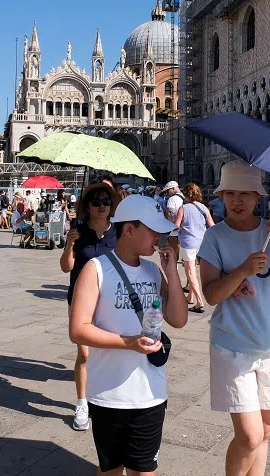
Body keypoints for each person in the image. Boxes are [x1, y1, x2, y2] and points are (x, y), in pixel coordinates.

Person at [198, 160, 270, 476]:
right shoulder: (214, 237)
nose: (237, 200)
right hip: (234, 346)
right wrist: (242, 271)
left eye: (246, 193)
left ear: (258, 197)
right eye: (230, 192)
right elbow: (211, 294)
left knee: (265, 434)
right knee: (250, 436)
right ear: (221, 195)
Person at [69, 194, 188, 476]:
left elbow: (179, 319)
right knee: (111, 470)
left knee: (144, 471)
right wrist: (128, 343)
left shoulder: (153, 270)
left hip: (150, 393)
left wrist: (172, 273)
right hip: (109, 394)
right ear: (129, 229)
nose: (159, 236)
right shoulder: (96, 269)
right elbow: (78, 329)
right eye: (152, 229)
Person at [59, 182, 120, 432]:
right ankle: (82, 402)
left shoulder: (118, 232)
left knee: (109, 352)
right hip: (81, 300)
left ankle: (109, 400)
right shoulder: (77, 231)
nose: (102, 206)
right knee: (84, 354)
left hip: (110, 300)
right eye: (96, 202)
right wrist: (68, 245)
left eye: (106, 201)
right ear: (87, 206)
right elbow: (66, 267)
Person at [174, 182, 215, 313]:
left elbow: (175, 227)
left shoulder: (183, 208)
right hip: (202, 244)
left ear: (186, 194)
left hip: (188, 244)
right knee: (194, 273)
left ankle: (200, 302)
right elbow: (212, 226)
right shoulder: (204, 208)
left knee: (190, 273)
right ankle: (190, 297)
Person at [161, 181, 185, 257]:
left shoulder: (172, 199)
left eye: (168, 191)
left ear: (173, 188)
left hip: (174, 231)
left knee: (172, 256)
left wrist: (169, 228)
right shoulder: (186, 198)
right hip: (185, 231)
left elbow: (169, 214)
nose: (167, 193)